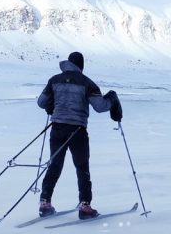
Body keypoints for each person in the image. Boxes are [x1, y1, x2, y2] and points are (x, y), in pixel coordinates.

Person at [36, 51, 123, 220]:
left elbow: (41, 102)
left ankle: (45, 203)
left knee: (54, 165)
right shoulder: (86, 82)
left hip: (57, 128)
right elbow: (100, 106)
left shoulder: (54, 80)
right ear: (81, 65)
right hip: (77, 130)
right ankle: (85, 206)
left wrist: (53, 104)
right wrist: (112, 100)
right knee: (82, 168)